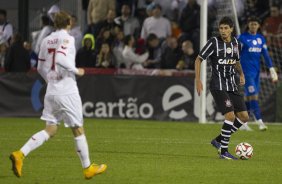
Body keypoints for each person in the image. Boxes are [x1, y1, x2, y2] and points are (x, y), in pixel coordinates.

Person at [9, 11, 107, 179]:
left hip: (52, 89)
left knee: (51, 129)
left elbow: (39, 67)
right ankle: (88, 168)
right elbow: (61, 58)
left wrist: (50, 79)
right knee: (78, 128)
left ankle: (20, 154)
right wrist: (77, 71)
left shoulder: (46, 40)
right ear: (69, 22)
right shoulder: (68, 38)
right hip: (67, 89)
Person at [195, 16, 249, 160]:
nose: (223, 31)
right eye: (221, 28)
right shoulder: (213, 42)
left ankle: (218, 140)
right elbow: (199, 59)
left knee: (244, 117)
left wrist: (242, 74)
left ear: (231, 29)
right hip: (218, 85)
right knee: (230, 116)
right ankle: (223, 151)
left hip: (232, 84)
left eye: (226, 28)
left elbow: (236, 61)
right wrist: (198, 80)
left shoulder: (236, 43)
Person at [238, 16, 278, 131]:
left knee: (248, 97)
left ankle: (242, 122)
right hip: (246, 72)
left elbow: (265, 55)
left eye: (255, 24)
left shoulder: (261, 39)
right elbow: (235, 53)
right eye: (251, 24)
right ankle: (259, 121)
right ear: (248, 25)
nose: (253, 26)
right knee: (253, 95)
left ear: (259, 26)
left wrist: (271, 69)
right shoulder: (242, 38)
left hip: (256, 72)